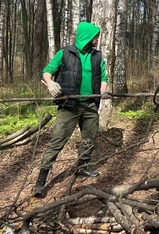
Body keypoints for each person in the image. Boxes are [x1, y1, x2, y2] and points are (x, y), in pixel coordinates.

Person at [34, 21, 109, 196]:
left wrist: (102, 92)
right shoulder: (65, 54)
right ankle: (41, 179)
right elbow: (47, 71)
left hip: (90, 105)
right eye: (95, 36)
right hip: (69, 106)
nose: (97, 39)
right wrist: (50, 83)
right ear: (87, 36)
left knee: (89, 138)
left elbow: (103, 77)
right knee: (57, 141)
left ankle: (83, 167)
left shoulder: (97, 56)